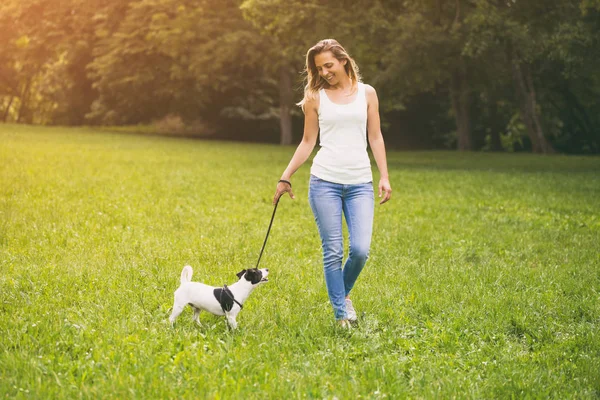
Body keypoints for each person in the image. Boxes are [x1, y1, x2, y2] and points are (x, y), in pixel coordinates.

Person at [273, 39, 392, 328]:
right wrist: (285, 176)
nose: (325, 72)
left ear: (344, 61)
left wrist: (384, 176)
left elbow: (375, 136)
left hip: (360, 183)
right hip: (324, 181)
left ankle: (342, 292)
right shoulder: (315, 96)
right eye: (319, 68)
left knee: (361, 250)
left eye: (329, 65)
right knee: (333, 251)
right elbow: (307, 141)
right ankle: (341, 314)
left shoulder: (368, 93)